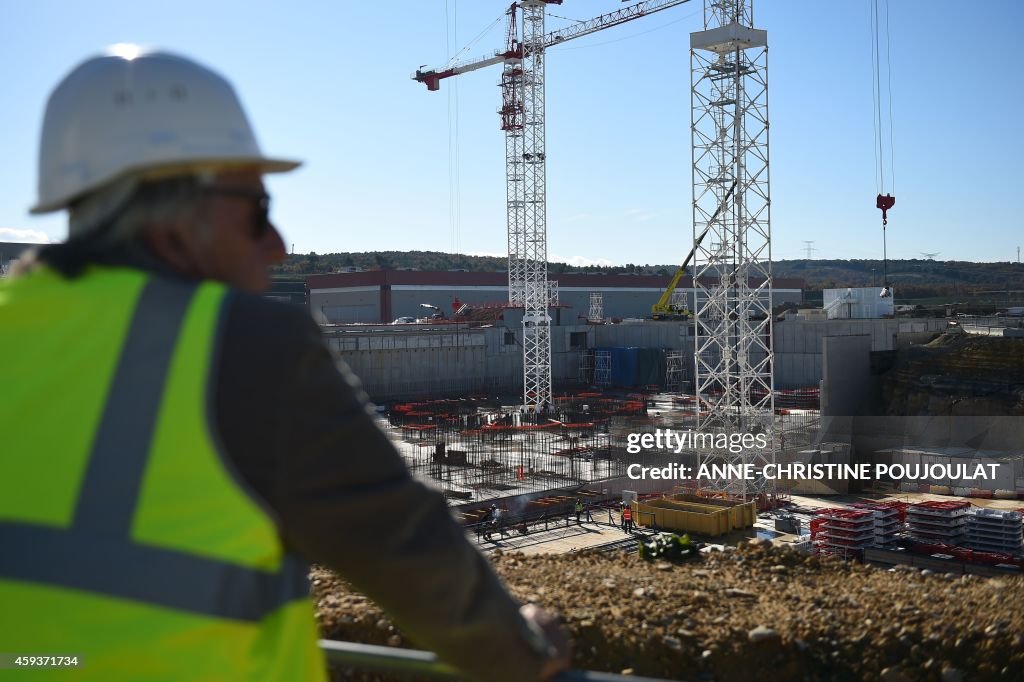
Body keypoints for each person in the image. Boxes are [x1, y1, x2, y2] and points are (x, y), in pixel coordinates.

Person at [0, 47, 569, 682]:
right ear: (174, 219)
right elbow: (401, 543)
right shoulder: (241, 340)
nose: (276, 244)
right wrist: (523, 651)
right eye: (257, 212)